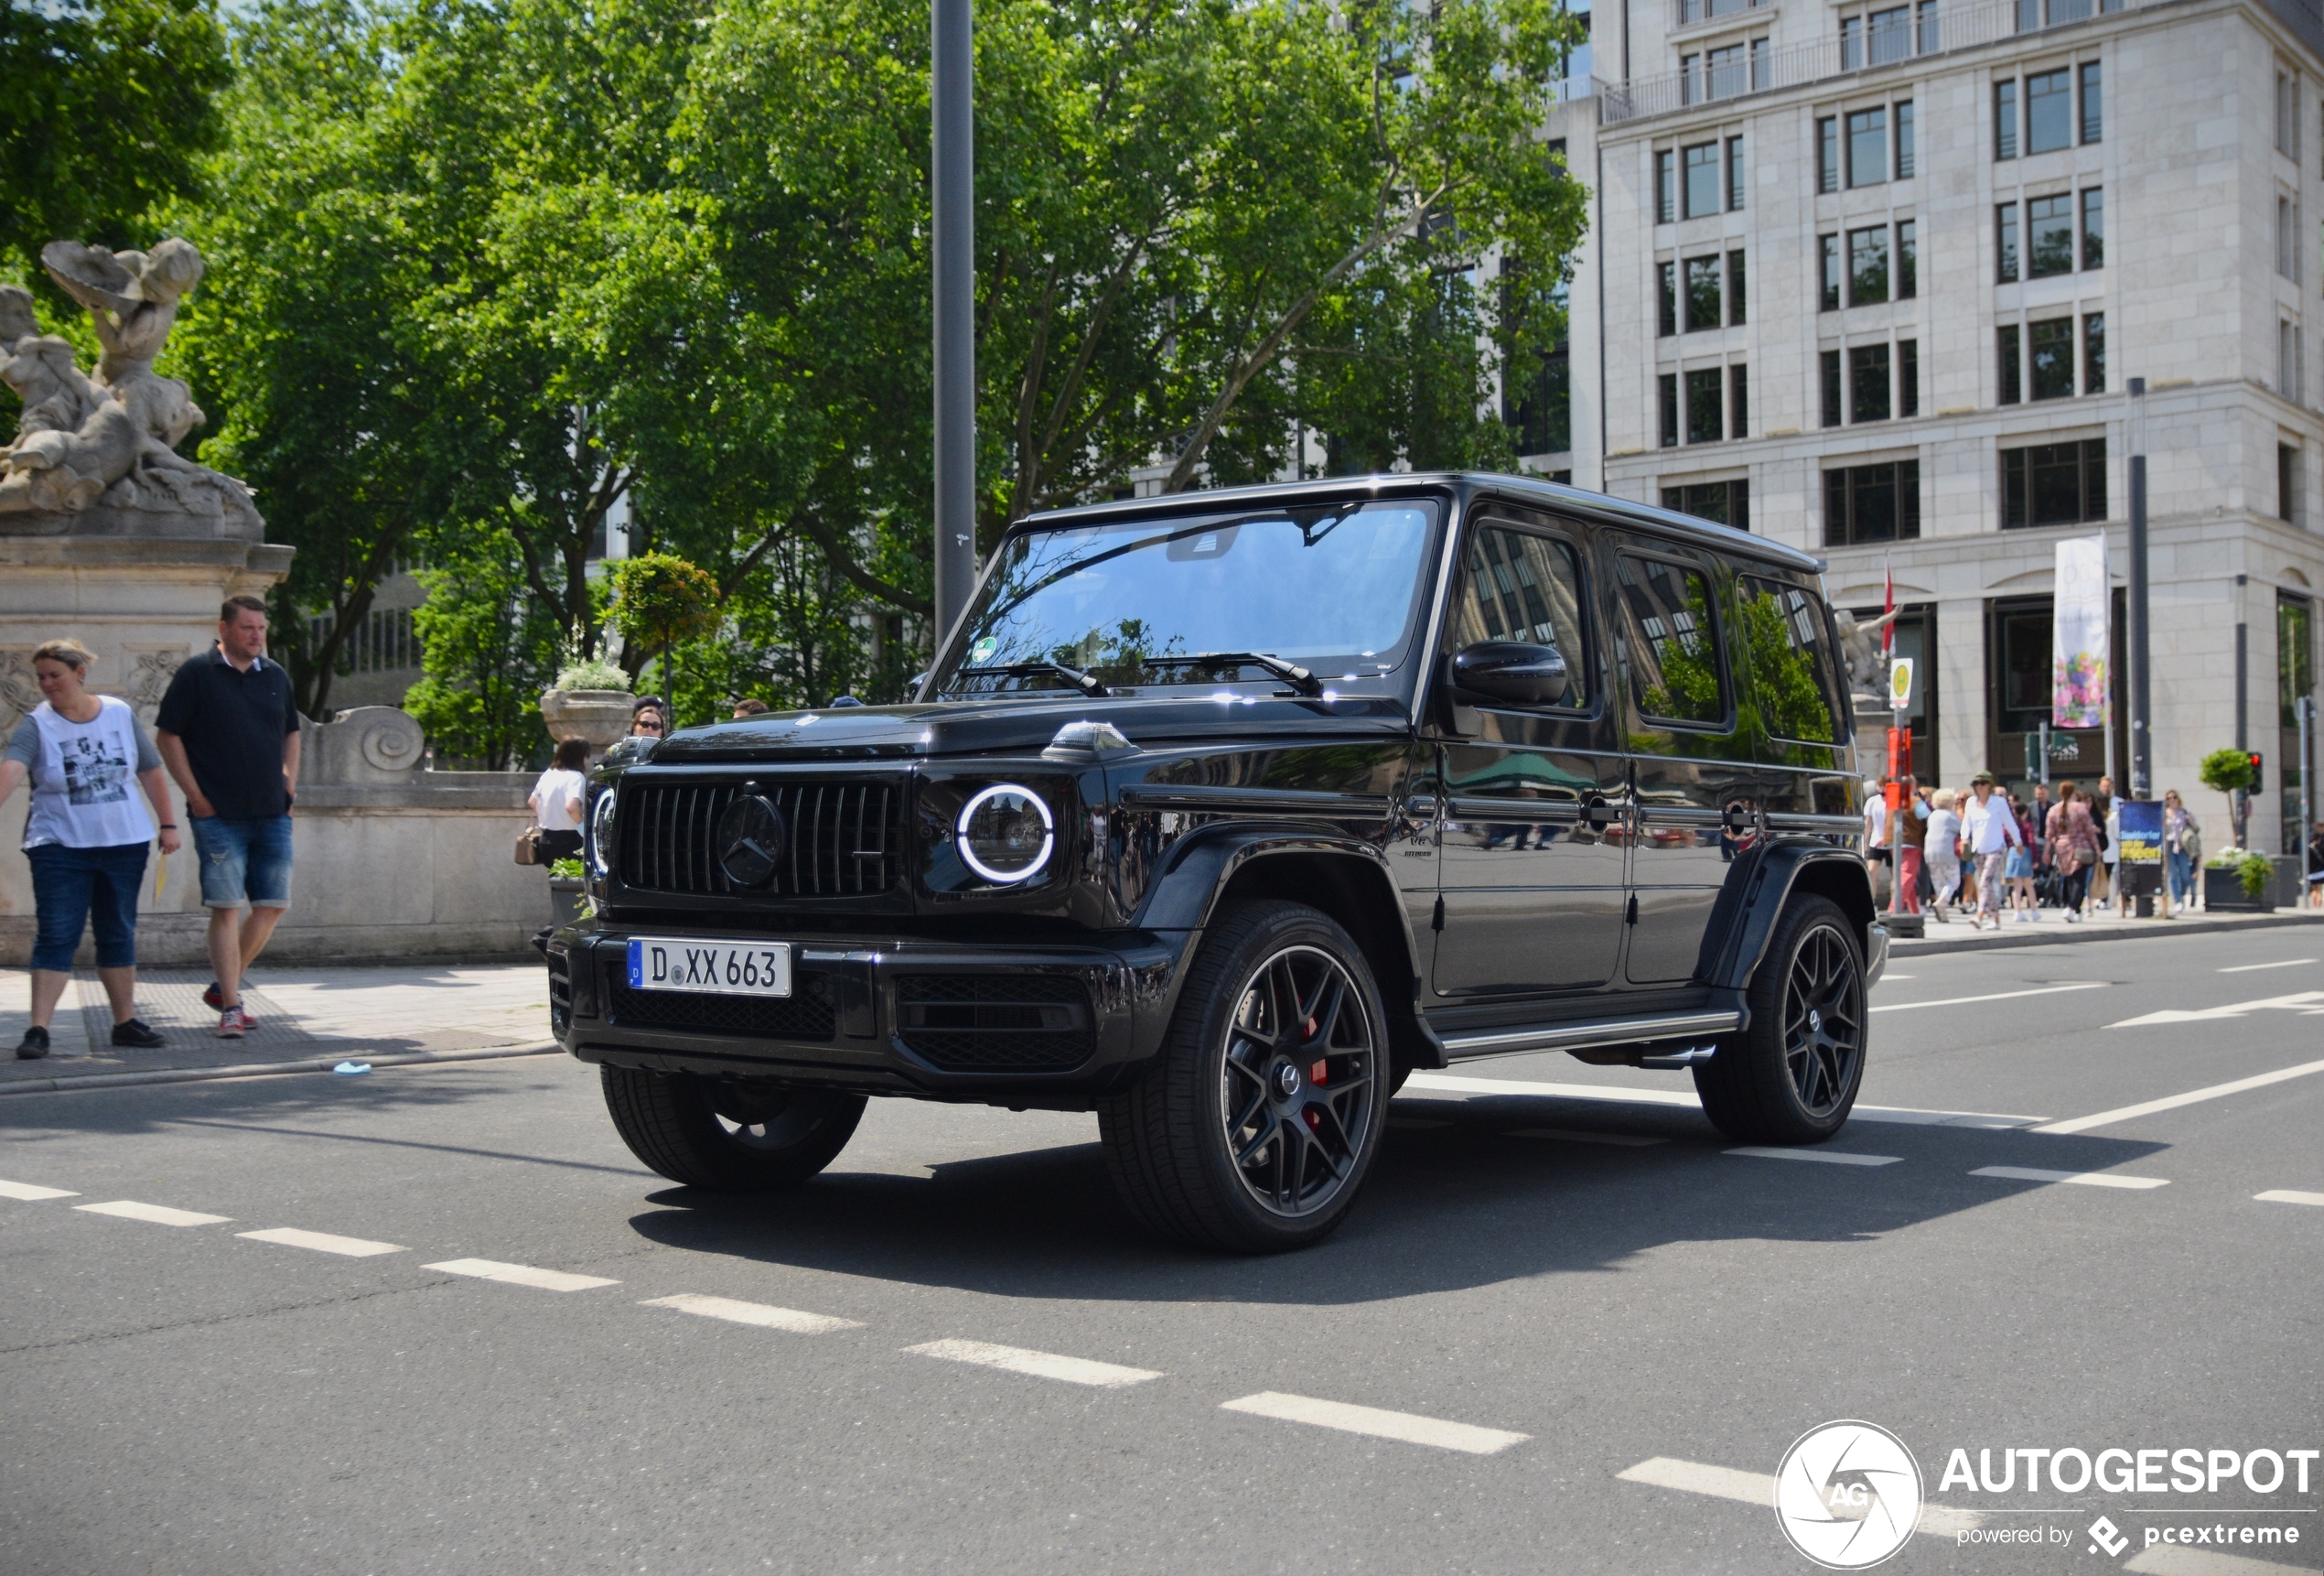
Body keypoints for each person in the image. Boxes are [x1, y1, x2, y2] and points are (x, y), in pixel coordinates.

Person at [0, 640, 178, 1057]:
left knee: (118, 931)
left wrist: (167, 823)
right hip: (60, 845)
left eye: (55, 675)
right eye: (41, 677)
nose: (46, 684)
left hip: (124, 842)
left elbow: (150, 769)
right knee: (58, 933)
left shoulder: (118, 714)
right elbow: (11, 770)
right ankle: (39, 1029)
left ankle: (125, 1022)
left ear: (79, 673)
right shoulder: (36, 724)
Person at [155, 595, 301, 1039]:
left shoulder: (275, 675)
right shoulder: (198, 674)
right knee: (226, 907)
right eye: (247, 628)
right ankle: (232, 1008)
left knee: (273, 904)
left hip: (271, 810)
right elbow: (167, 737)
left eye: (261, 628)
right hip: (217, 813)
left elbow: (291, 731)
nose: (257, 636)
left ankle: (223, 987)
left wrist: (289, 782)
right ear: (224, 629)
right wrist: (195, 796)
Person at [1962, 772, 2024, 932]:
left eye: (1983, 783)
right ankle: (1996, 918)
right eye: (1977, 784)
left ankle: (1980, 915)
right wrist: (1964, 839)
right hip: (1978, 849)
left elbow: (2010, 823)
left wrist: (2018, 842)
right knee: (1986, 885)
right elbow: (1966, 823)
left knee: (1984, 882)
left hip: (1996, 847)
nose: (1979, 786)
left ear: (1990, 785)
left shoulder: (1999, 802)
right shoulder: (1971, 803)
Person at [529, 738, 590, 864]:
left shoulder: (548, 774)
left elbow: (532, 801)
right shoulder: (576, 778)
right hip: (570, 840)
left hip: (546, 839)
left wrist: (548, 816)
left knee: (555, 881)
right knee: (572, 881)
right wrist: (584, 829)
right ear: (580, 756)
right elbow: (571, 807)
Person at [2047, 781, 2099, 922]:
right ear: (2074, 792)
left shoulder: (2053, 810)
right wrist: (2097, 849)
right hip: (2081, 847)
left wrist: (2047, 851)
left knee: (2070, 878)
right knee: (2079, 879)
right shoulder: (2080, 808)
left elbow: (2049, 834)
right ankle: (2071, 907)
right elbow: (2089, 831)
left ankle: (2076, 909)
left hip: (2062, 848)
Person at [1924, 789, 1964, 923]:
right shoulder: (1950, 816)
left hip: (1930, 852)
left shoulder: (1932, 815)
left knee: (1938, 882)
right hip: (1947, 852)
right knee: (1954, 881)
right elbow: (1962, 829)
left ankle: (1943, 914)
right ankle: (1942, 902)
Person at [1891, 774, 1927, 913]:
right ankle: (1894, 908)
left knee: (1905, 877)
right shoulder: (1916, 802)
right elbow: (1928, 817)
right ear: (1913, 785)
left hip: (1893, 842)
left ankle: (1914, 910)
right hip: (1911, 842)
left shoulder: (1893, 799)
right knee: (1907, 876)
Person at [2005, 788, 2040, 922]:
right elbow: (2031, 841)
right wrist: (2035, 858)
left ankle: (2017, 911)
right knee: (2028, 884)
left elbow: (2005, 836)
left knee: (2016, 885)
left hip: (2013, 852)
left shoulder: (2011, 825)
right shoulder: (2027, 825)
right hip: (2025, 851)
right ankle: (2034, 911)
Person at [2163, 789, 2198, 912]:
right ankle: (2178, 901)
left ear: (2178, 799)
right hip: (2169, 844)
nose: (2172, 800)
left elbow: (2196, 829)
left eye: (2174, 797)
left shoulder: (2184, 811)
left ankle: (2181, 894)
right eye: (2169, 798)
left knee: (2185, 875)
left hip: (2183, 845)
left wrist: (2190, 821)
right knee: (2172, 874)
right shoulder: (2164, 813)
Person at [2089, 774, 2116, 905]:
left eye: (2108, 786)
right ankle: (2100, 896)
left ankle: (2109, 898)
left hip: (2114, 843)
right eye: (2103, 786)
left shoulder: (2118, 802)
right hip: (2099, 843)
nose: (2106, 788)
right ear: (2099, 787)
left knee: (2111, 871)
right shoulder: (2096, 803)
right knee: (2099, 871)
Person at [1862, 779, 1890, 903]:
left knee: (1894, 873)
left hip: (1891, 842)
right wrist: (1865, 842)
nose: (1883, 789)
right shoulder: (1873, 801)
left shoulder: (1893, 801)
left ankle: (1894, 902)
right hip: (1875, 841)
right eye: (1881, 786)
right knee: (1871, 870)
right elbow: (1868, 822)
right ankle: (1872, 901)